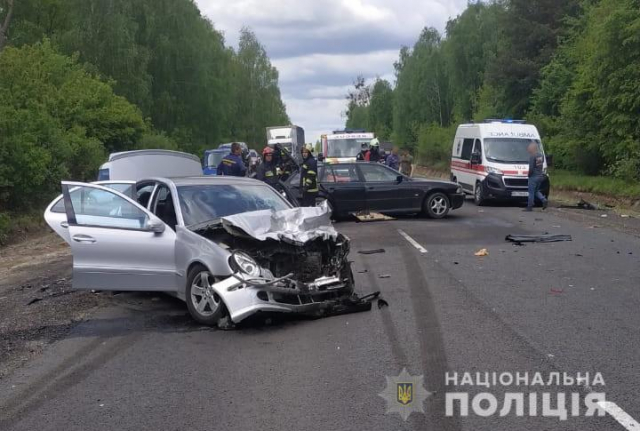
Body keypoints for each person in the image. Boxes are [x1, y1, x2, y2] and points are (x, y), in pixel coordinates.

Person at [525, 140, 548, 211]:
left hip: (533, 177)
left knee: (531, 192)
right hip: (540, 176)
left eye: (529, 148)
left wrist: (528, 175)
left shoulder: (532, 156)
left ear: (533, 148)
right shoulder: (540, 155)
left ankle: (529, 207)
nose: (528, 149)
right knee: (536, 191)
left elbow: (531, 168)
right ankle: (543, 199)